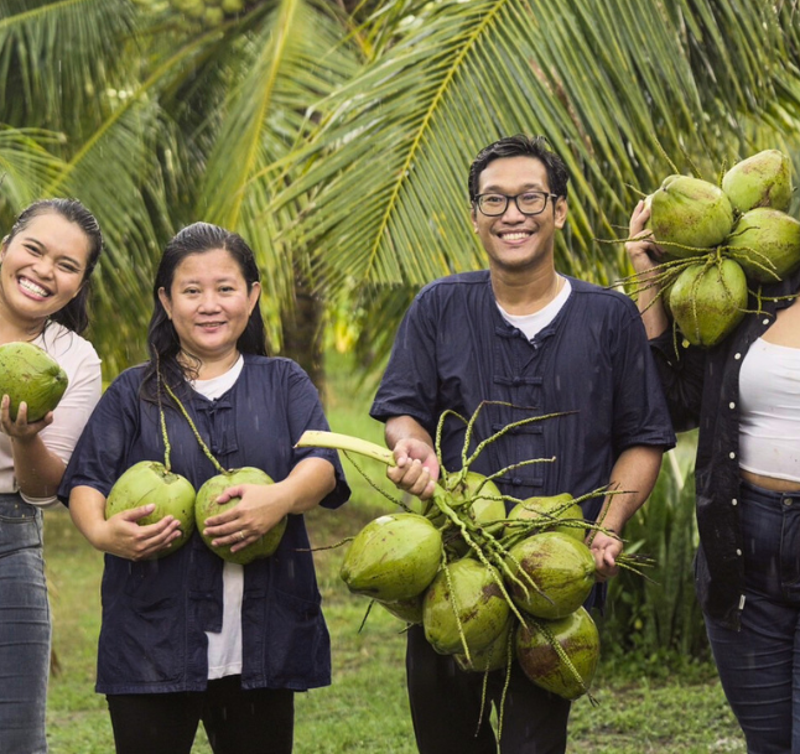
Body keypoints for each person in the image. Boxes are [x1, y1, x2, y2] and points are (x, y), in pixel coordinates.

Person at [369, 134, 676, 754]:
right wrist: (412, 447)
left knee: (535, 742)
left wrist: (609, 526)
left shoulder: (609, 318)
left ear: (559, 210)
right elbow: (402, 411)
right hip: (455, 567)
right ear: (475, 217)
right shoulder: (438, 307)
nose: (513, 214)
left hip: (555, 577)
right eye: (495, 201)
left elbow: (644, 439)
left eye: (530, 198)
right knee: (450, 740)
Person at [58, 222, 349, 754]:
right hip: (150, 639)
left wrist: (279, 499)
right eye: (191, 291)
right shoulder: (133, 392)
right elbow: (87, 479)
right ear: (167, 301)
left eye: (226, 288)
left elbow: (322, 464)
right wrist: (103, 532)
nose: (209, 305)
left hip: (260, 641)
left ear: (252, 296)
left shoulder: (284, 382)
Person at [627, 198, 800, 753]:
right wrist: (648, 281)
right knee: (769, 742)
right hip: (742, 545)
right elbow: (677, 405)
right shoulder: (758, 284)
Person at [0, 198, 104, 754]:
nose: (44, 270)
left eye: (67, 265)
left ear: (79, 284)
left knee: (15, 739)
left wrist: (22, 436)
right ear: (5, 250)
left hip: (9, 543)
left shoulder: (74, 360)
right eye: (33, 249)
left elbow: (43, 489)